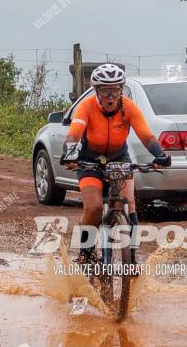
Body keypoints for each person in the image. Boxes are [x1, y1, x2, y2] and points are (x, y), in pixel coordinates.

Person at [61, 63, 170, 265]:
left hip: (120, 159)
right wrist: (69, 153)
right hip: (89, 161)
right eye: (104, 91)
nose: (110, 96)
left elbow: (145, 135)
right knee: (93, 208)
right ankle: (85, 254)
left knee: (129, 205)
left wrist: (159, 154)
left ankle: (132, 260)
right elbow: (74, 133)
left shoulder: (128, 107)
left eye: (115, 90)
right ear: (96, 92)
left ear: (121, 90)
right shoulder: (86, 107)